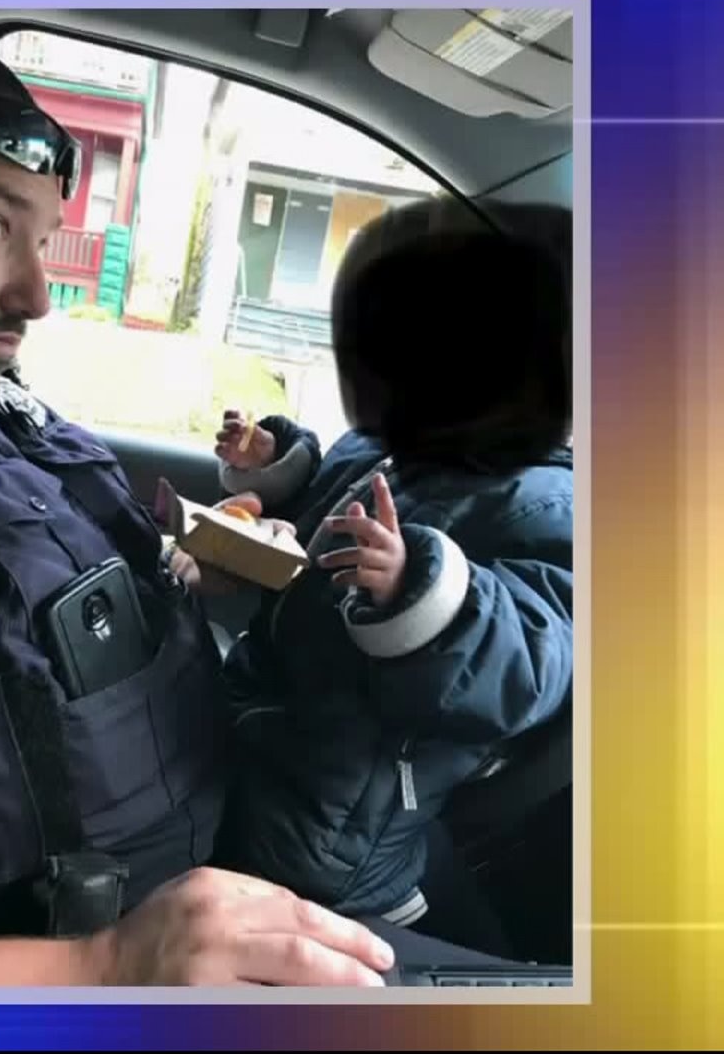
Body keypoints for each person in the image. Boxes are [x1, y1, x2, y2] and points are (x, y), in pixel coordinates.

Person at [0, 18, 397, 986]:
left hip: (231, 889)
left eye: (42, 239)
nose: (37, 295)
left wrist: (174, 569)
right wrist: (103, 967)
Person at [190, 196, 574, 952]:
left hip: (343, 821)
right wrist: (278, 467)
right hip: (267, 717)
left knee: (433, 946)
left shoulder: (547, 506)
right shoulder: (386, 450)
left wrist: (415, 590)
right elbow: (326, 503)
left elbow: (532, 661)